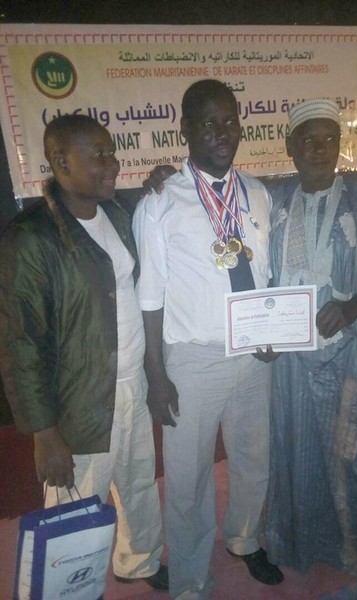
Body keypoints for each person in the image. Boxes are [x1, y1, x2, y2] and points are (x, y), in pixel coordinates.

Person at [0, 114, 168, 591]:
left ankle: (139, 562)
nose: (112, 163)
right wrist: (44, 433)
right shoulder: (31, 237)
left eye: (111, 152)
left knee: (139, 485)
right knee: (75, 509)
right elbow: (20, 345)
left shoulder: (115, 215)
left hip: (132, 385)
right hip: (79, 402)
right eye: (98, 155)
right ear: (60, 161)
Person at [132, 79, 283, 600]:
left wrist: (272, 330)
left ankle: (244, 537)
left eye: (229, 121)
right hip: (192, 360)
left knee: (253, 457)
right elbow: (149, 296)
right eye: (208, 123)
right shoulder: (160, 201)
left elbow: (266, 275)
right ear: (186, 130)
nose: (222, 132)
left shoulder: (258, 193)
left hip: (253, 353)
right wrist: (156, 374)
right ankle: (191, 577)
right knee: (188, 476)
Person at [266, 98, 357, 600]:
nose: (319, 149)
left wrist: (351, 308)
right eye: (308, 140)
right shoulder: (272, 201)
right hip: (290, 362)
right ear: (290, 146)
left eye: (329, 139)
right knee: (300, 454)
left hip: (353, 352)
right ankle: (309, 545)